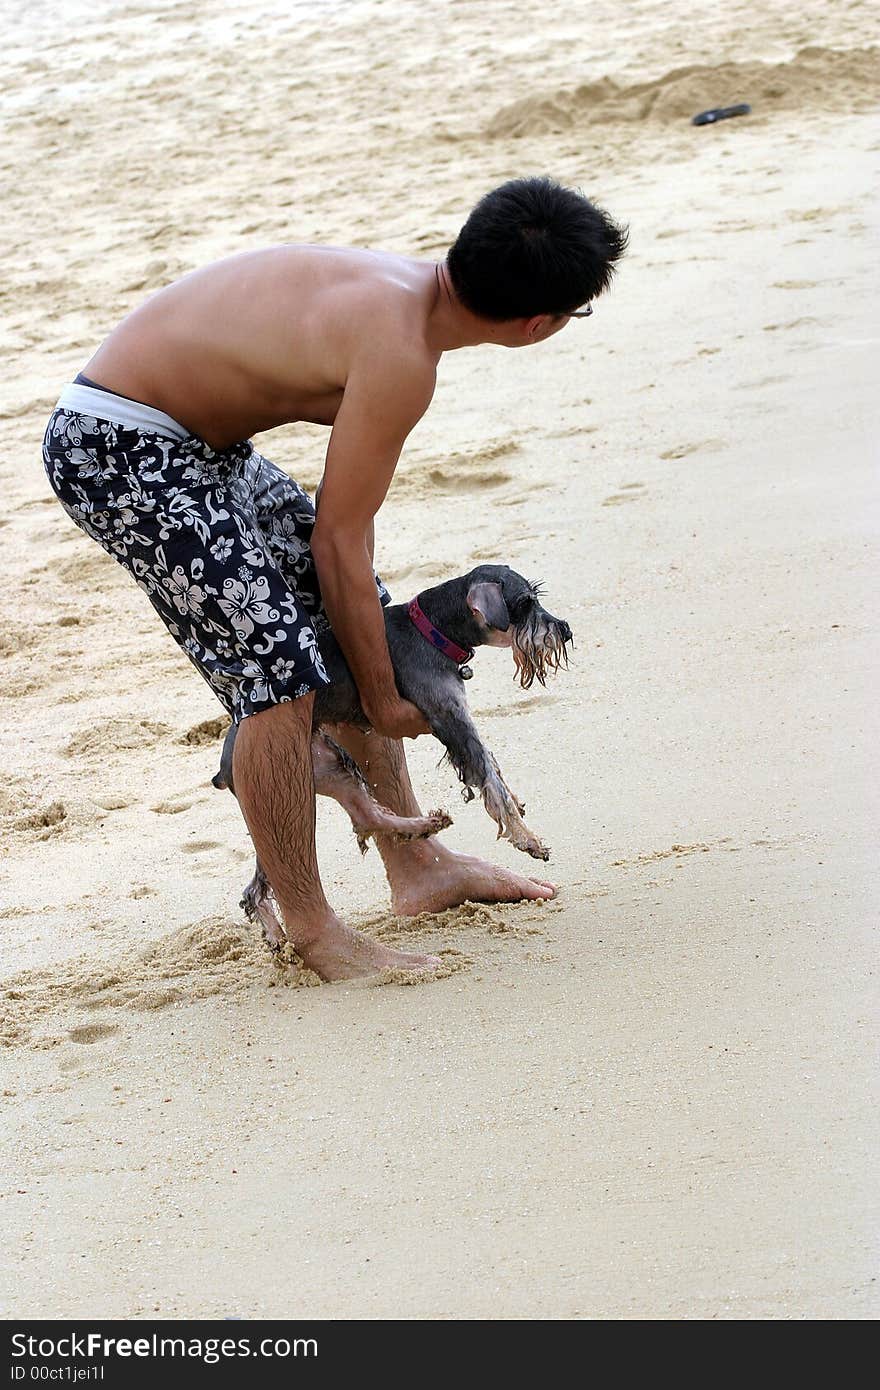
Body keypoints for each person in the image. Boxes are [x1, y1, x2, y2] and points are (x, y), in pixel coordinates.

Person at [42, 176, 627, 981]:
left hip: (199, 447)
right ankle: (316, 930)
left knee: (363, 623)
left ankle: (416, 868)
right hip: (119, 448)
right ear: (540, 325)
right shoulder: (400, 352)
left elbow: (343, 546)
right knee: (278, 673)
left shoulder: (405, 293)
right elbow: (339, 542)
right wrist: (384, 698)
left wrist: (377, 661)